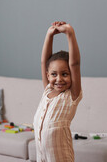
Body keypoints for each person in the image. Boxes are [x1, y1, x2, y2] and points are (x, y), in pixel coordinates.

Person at [33, 21, 82, 162]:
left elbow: (75, 64)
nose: (59, 79)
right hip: (41, 157)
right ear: (48, 75)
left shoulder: (72, 95)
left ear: (72, 75)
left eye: (65, 74)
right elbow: (44, 62)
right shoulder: (47, 89)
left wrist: (69, 33)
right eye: (54, 74)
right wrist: (49, 35)